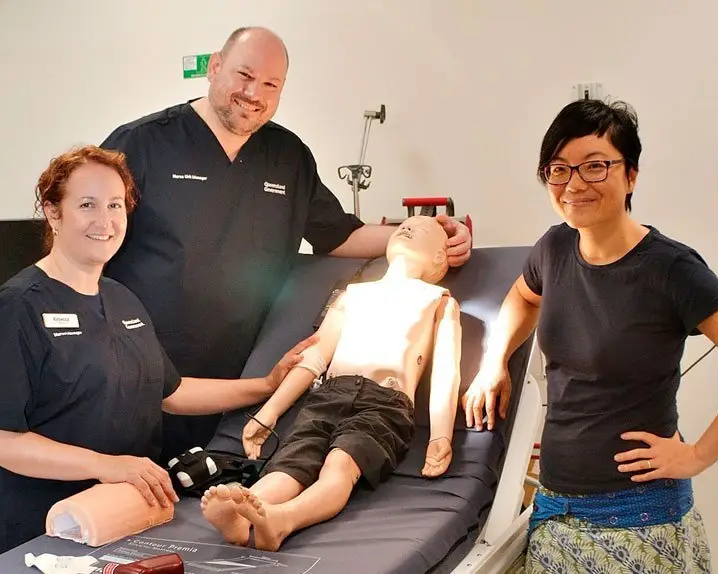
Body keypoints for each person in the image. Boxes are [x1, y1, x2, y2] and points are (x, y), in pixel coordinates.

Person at [99, 26, 473, 464]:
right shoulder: (142, 144)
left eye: (270, 85)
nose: (253, 93)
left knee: (197, 500)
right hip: (140, 370)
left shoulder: (288, 156)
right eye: (244, 75)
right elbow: (81, 242)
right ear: (215, 67)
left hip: (239, 377)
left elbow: (338, 235)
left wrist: (422, 232)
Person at [0, 145, 315, 561]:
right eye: (87, 205)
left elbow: (171, 392)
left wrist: (267, 384)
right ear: (53, 212)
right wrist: (105, 465)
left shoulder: (121, 299)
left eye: (115, 205)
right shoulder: (17, 308)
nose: (105, 221)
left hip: (125, 515)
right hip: (44, 529)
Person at [462, 99, 718, 573]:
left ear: (631, 175)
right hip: (557, 513)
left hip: (643, 524)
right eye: (558, 169)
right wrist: (495, 361)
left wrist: (697, 455)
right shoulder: (554, 247)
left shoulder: (670, 268)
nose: (574, 183)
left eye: (595, 166)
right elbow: (523, 296)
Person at [199, 215, 462, 551]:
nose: (408, 227)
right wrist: (268, 413)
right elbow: (316, 357)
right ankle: (241, 511)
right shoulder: (353, 295)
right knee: (291, 463)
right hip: (328, 395)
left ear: (440, 256)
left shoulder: (438, 300)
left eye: (423, 228)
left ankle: (284, 520)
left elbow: (446, 371)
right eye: (403, 225)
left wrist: (442, 435)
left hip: (384, 402)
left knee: (340, 466)